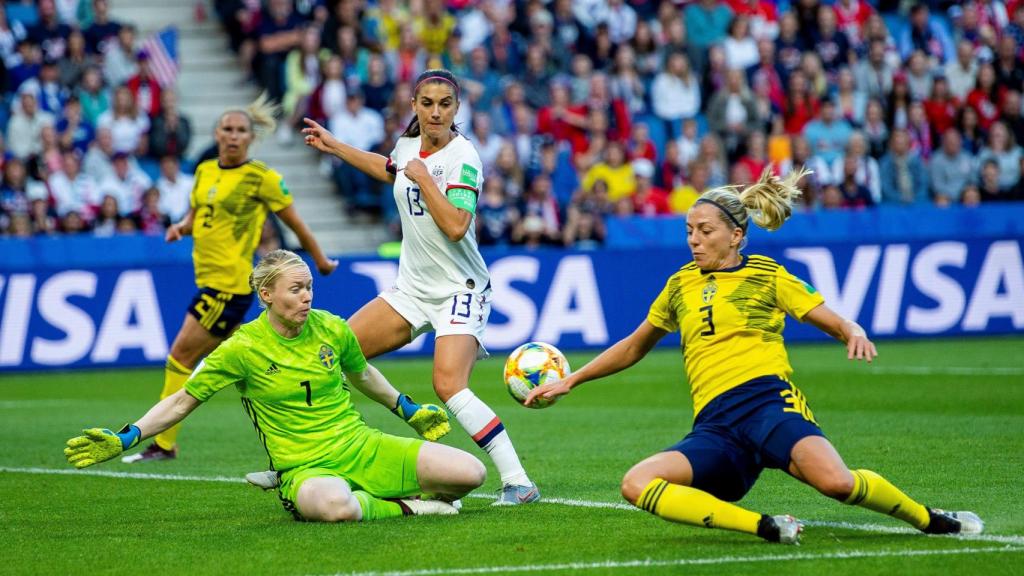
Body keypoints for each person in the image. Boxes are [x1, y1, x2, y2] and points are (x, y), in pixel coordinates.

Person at [524, 168, 984, 544]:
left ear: (737, 236)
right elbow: (634, 345)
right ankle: (765, 525)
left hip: (768, 403)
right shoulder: (680, 283)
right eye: (689, 231)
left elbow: (821, 314)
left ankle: (929, 518)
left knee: (837, 483)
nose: (694, 241)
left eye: (705, 231)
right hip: (716, 425)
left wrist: (850, 329)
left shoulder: (766, 274)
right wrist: (572, 379)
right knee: (635, 483)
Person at [66, 250, 484, 522]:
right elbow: (180, 402)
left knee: (471, 473)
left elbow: (363, 375)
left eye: (309, 288)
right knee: (336, 508)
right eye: (296, 290)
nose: (307, 298)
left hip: (360, 445)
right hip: (304, 466)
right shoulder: (241, 349)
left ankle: (371, 491)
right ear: (266, 294)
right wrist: (128, 436)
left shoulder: (332, 328)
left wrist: (408, 409)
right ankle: (413, 507)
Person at [287, 68, 539, 505]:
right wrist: (335, 146)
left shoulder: (464, 157)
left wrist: (424, 177)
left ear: (457, 109)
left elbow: (458, 226)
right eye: (428, 103)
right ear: (414, 106)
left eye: (445, 104)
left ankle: (518, 481)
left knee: (448, 385)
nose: (436, 112)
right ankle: (309, 458)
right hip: (411, 290)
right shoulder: (407, 147)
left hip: (460, 289)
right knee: (337, 353)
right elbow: (390, 170)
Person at [123, 95, 338, 463]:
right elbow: (197, 213)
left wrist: (320, 260)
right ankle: (308, 409)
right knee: (256, 362)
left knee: (180, 357)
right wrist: (181, 227)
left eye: (241, 131)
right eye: (228, 129)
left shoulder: (262, 178)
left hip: (229, 286)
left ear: (251, 138)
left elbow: (296, 223)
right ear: (217, 133)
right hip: (210, 281)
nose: (234, 136)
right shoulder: (206, 170)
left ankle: (163, 443)